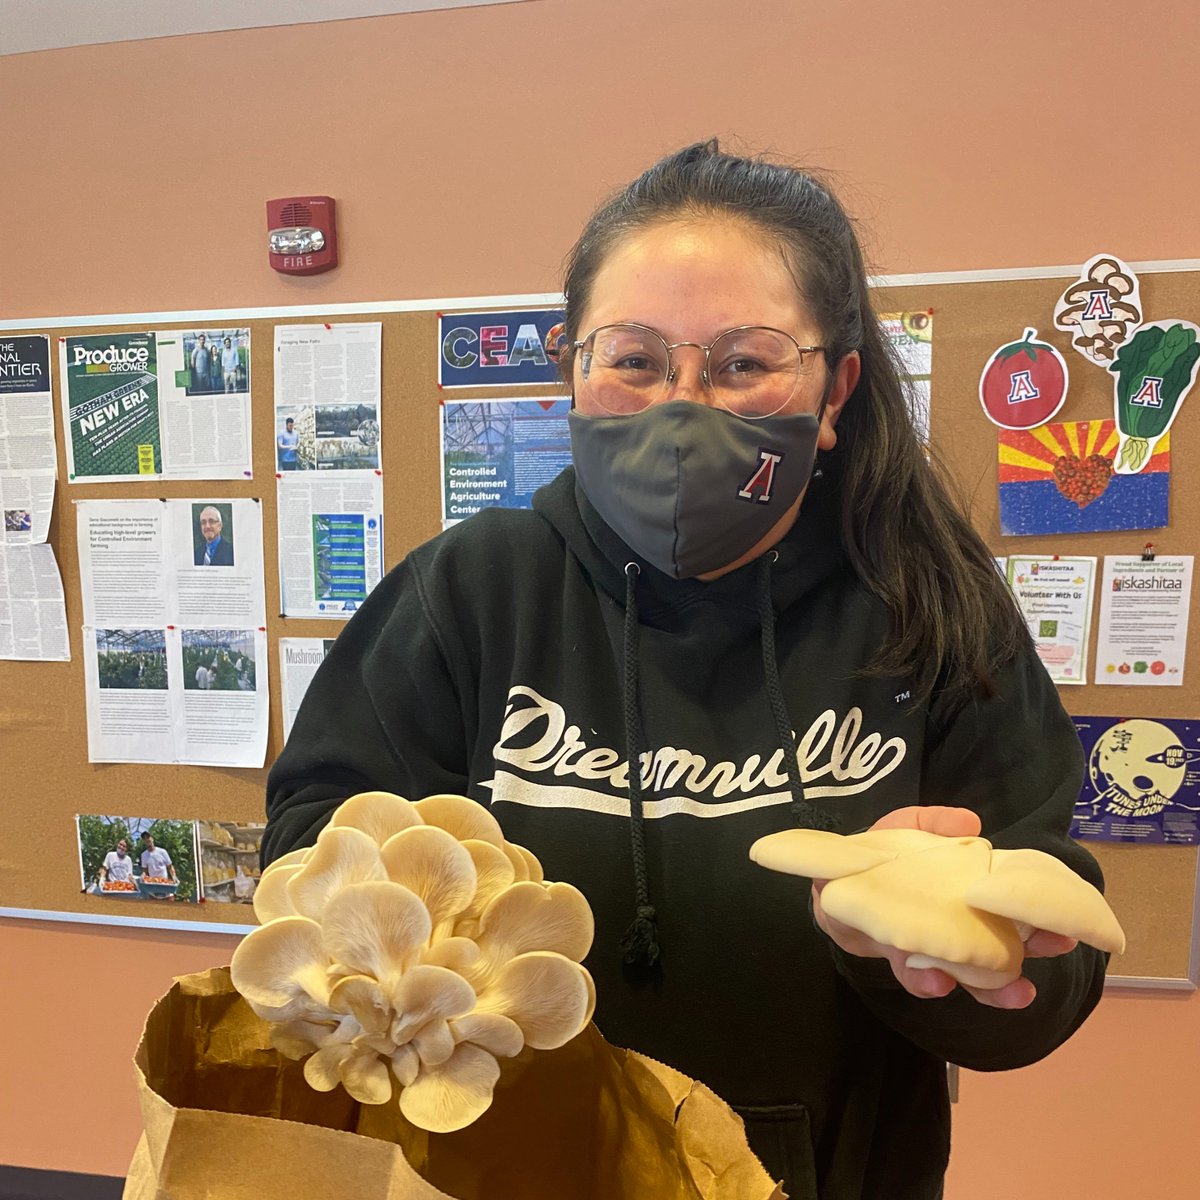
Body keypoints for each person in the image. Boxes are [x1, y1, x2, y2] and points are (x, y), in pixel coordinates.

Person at [263, 142, 1107, 1199]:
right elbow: (309, 852)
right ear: (573, 368)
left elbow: (1051, 967)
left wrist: (944, 958)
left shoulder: (933, 613)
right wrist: (409, 936)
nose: (682, 406)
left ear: (834, 389)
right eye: (635, 358)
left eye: (744, 362)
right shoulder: (464, 597)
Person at [139, 831, 177, 897]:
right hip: (152, 885)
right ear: (144, 841)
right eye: (144, 839)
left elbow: (170, 866)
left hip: (164, 884)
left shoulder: (162, 852)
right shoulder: (144, 855)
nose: (147, 839)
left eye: (148, 837)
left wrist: (174, 876)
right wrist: (142, 876)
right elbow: (145, 871)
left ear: (152, 839)